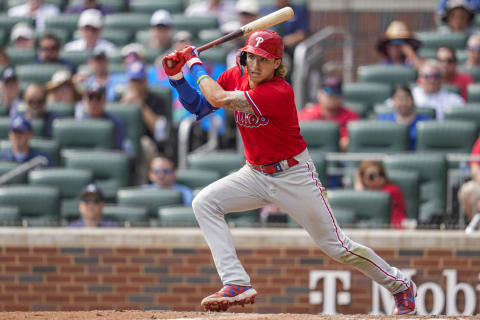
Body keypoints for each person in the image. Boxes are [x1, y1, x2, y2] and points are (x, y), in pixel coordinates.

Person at [162, 29, 416, 314]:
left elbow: (219, 98)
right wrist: (177, 78)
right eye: (251, 57)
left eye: (263, 59)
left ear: (277, 63)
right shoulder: (236, 75)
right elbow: (199, 105)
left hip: (293, 175)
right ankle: (236, 282)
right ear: (243, 56)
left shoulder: (279, 91)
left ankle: (400, 284)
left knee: (338, 247)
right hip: (255, 173)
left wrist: (195, 64)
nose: (255, 65)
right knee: (204, 202)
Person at [298, 77, 359, 152]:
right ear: (319, 94)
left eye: (337, 91)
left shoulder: (351, 117)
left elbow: (348, 144)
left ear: (342, 96)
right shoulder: (307, 114)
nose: (332, 95)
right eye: (327, 91)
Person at [75, 83, 128, 153]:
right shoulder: (79, 124)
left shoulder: (116, 123)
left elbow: (118, 151)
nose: (94, 103)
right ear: (85, 100)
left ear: (105, 100)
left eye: (98, 98)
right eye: (90, 98)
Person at [354, 160, 407, 229]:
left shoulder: (392, 190)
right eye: (371, 176)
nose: (377, 178)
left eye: (380, 174)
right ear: (362, 179)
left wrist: (359, 190)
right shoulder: (364, 192)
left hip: (392, 229)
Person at [378, 85, 432, 150]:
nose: (403, 102)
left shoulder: (426, 123)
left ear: (413, 100)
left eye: (406, 98)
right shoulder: (383, 121)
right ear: (393, 101)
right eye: (399, 99)